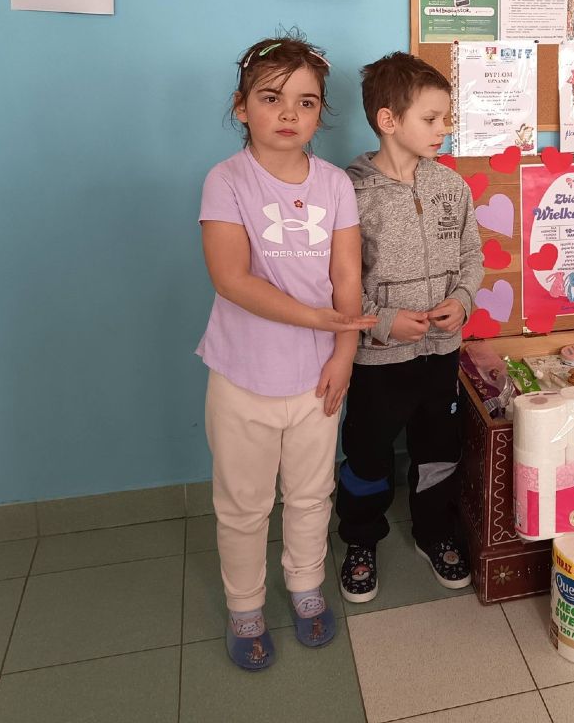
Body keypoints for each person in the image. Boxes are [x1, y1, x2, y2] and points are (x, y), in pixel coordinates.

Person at [197, 35, 377, 670]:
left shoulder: (335, 184)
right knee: (244, 505)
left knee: (310, 494)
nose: (288, 114)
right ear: (242, 107)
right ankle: (245, 605)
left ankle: (305, 586)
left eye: (306, 102)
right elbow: (232, 279)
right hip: (242, 376)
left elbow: (347, 277)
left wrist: (342, 352)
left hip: (317, 377)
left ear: (320, 112)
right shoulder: (226, 181)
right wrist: (318, 319)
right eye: (271, 98)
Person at [338, 52, 483, 603]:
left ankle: (434, 531)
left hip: (440, 353)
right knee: (368, 453)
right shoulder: (349, 193)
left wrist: (463, 301)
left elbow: (471, 256)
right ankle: (360, 538)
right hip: (377, 360)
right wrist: (383, 321)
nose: (444, 129)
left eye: (447, 117)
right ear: (388, 120)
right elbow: (336, 280)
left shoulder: (452, 187)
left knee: (438, 449)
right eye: (431, 119)